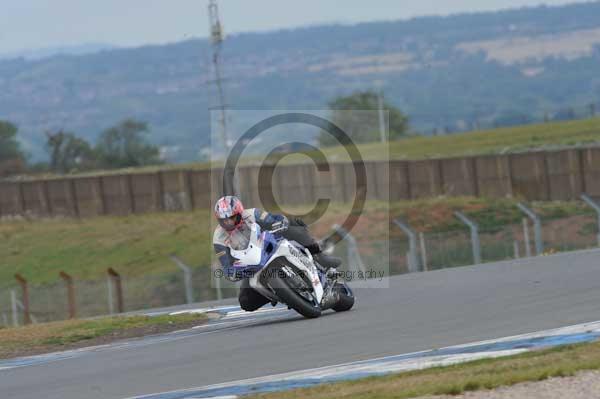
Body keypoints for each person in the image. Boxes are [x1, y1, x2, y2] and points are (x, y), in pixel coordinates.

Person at [213, 195, 341, 312]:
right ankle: (279, 292)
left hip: (270, 244)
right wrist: (233, 272)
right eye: (224, 220)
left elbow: (274, 218)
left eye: (232, 218)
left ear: (240, 212)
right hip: (251, 265)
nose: (228, 223)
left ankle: (319, 256)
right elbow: (226, 265)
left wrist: (280, 222)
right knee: (246, 302)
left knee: (294, 225)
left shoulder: (252, 214)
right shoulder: (218, 238)